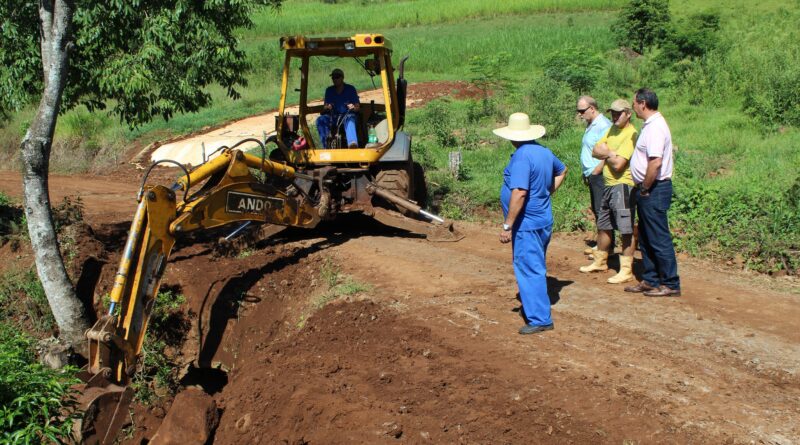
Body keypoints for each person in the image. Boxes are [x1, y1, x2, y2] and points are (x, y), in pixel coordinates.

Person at [496, 113, 568, 335]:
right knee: (534, 265)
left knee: (529, 268)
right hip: (542, 219)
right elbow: (562, 170)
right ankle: (537, 310)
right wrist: (546, 193)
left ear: (512, 136)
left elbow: (519, 192)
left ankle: (539, 318)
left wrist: (508, 225)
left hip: (526, 224)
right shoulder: (543, 152)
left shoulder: (521, 157)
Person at [625, 88, 681, 297]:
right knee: (647, 237)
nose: (633, 107)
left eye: (634, 103)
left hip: (654, 188)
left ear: (642, 104)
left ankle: (670, 283)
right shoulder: (650, 126)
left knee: (658, 237)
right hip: (648, 188)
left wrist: (645, 187)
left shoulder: (656, 127)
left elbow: (655, 162)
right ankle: (651, 279)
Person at [580, 99, 638, 284]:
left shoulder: (631, 134)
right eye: (612, 112)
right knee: (604, 224)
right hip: (608, 183)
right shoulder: (611, 129)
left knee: (625, 229)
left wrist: (607, 153)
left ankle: (626, 270)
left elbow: (620, 164)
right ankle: (601, 261)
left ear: (628, 113)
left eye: (618, 113)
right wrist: (611, 153)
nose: (614, 116)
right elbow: (595, 150)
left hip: (623, 185)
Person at [576, 96, 612, 256]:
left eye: (582, 111)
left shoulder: (603, 125)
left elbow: (609, 150)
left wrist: (597, 170)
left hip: (599, 174)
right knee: (598, 210)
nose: (580, 114)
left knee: (602, 210)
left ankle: (607, 248)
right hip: (591, 173)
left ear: (592, 108)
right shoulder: (591, 125)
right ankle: (602, 244)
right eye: (578, 111)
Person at [317, 68, 360, 148]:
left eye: (337, 77)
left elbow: (357, 107)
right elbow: (326, 106)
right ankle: (326, 145)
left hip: (347, 115)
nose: (335, 79)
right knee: (321, 119)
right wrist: (327, 107)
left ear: (342, 78)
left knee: (350, 118)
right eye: (333, 77)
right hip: (333, 117)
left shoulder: (350, 89)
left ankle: (352, 144)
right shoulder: (329, 90)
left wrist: (353, 107)